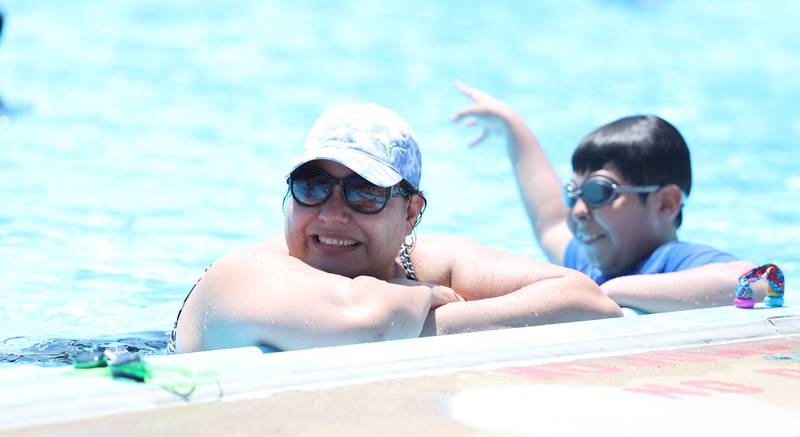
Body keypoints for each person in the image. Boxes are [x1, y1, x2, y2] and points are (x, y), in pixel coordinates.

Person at [171, 103, 621, 353]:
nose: (331, 213)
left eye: (364, 193)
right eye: (313, 186)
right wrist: (426, 294)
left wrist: (425, 314)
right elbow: (363, 325)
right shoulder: (241, 275)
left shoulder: (418, 259)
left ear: (411, 213)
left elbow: (587, 299)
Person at [452, 82, 760, 313]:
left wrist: (614, 291)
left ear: (665, 204)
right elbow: (550, 220)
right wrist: (512, 127)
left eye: (599, 193)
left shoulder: (671, 261)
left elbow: (758, 282)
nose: (578, 211)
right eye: (572, 194)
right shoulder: (590, 264)